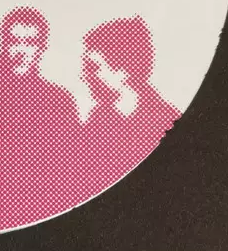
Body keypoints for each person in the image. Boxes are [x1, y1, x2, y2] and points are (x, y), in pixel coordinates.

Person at [0, 7, 79, 229]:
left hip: (49, 211)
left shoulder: (60, 101)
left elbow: (71, 165)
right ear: (4, 45)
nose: (21, 50)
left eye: (29, 43)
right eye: (14, 42)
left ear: (41, 48)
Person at [76, 15, 181, 202]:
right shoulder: (98, 118)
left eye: (93, 67)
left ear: (123, 70)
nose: (84, 76)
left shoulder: (166, 120)